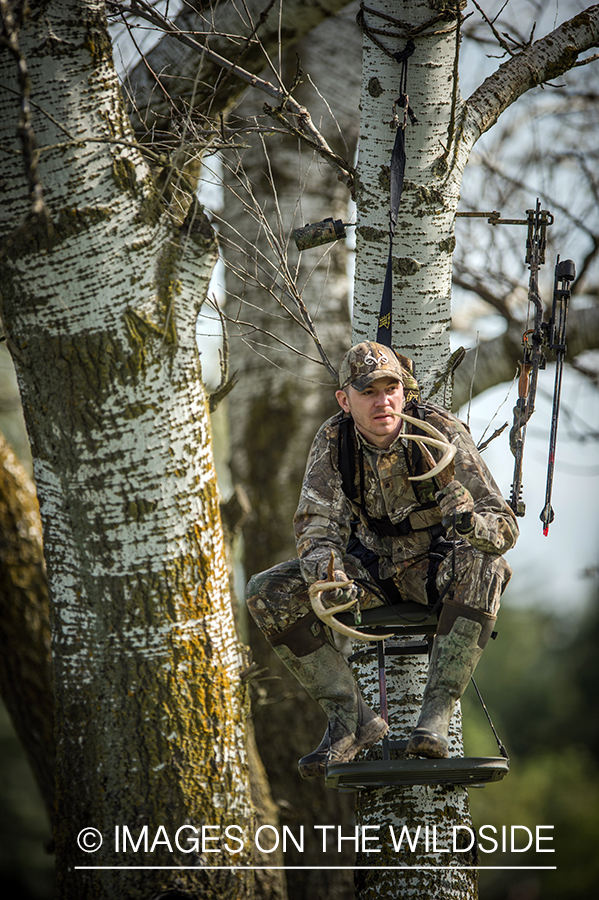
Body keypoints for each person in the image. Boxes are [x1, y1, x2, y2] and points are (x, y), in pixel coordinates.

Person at [246, 341, 519, 778]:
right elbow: (315, 528)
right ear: (344, 400)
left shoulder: (440, 430)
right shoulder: (333, 442)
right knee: (267, 591)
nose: (382, 401)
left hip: (437, 570)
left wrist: (468, 522)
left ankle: (435, 716)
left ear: (403, 391)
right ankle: (351, 720)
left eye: (390, 388)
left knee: (490, 565)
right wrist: (329, 575)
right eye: (368, 392)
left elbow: (503, 528)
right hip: (367, 572)